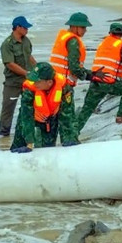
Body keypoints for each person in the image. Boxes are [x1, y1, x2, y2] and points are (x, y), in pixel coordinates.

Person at [76, 23, 122, 130]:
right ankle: (121, 115)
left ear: (110, 32)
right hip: (109, 82)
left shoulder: (103, 43)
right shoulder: (121, 44)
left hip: (95, 79)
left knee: (87, 109)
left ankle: (73, 133)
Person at [48, 12, 100, 144]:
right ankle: (69, 143)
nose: (85, 30)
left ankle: (47, 144)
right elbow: (74, 67)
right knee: (67, 117)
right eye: (83, 27)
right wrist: (90, 75)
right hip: (64, 85)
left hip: (53, 82)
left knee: (53, 116)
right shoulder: (73, 41)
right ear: (75, 26)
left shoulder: (63, 37)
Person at [10, 62, 75, 152]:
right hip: (30, 118)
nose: (34, 83)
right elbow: (26, 116)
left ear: (49, 82)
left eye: (38, 81)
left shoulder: (64, 88)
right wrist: (29, 143)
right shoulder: (29, 90)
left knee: (48, 148)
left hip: (50, 120)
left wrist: (69, 139)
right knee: (19, 145)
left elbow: (67, 115)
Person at [0, 16, 36, 137]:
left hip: (28, 81)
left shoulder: (26, 41)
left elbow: (29, 57)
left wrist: (37, 68)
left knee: (31, 106)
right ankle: (4, 134)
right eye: (25, 27)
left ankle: (28, 131)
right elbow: (10, 64)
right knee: (8, 108)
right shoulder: (7, 44)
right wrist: (26, 73)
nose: (27, 30)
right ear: (17, 27)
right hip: (13, 82)